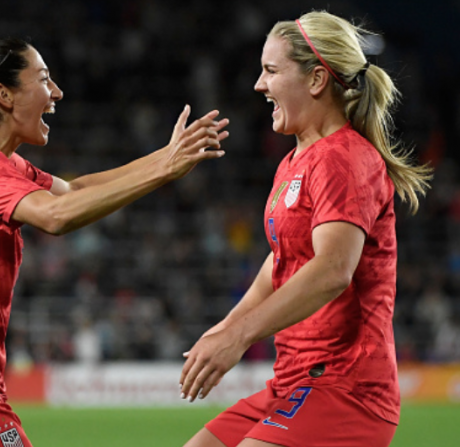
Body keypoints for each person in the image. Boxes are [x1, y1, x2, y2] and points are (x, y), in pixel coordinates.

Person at [0, 37, 229, 447]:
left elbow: (74, 191)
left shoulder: (0, 164)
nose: (57, 93)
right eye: (45, 80)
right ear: (4, 95)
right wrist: (161, 171)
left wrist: (166, 159)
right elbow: (55, 216)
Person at [179, 11, 431, 447]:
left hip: (346, 389)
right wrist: (225, 329)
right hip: (293, 383)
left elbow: (333, 270)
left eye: (271, 71)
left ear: (316, 80)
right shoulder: (294, 162)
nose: (259, 84)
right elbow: (281, 260)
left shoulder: (344, 159)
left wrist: (239, 337)